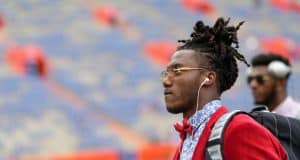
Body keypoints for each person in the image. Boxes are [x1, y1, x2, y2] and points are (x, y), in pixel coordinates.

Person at [161, 17, 287, 160]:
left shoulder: (239, 130)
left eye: (177, 71)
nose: (166, 80)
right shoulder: (187, 141)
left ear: (208, 78)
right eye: (166, 73)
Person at [248, 53, 300, 119]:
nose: (253, 85)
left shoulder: (298, 116)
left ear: (280, 82)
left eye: (260, 79)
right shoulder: (257, 120)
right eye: (250, 79)